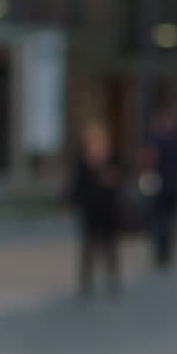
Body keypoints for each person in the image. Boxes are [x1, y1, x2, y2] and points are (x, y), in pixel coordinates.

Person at [70, 121, 122, 298]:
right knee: (89, 247)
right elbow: (76, 186)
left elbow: (121, 179)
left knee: (110, 247)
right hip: (90, 209)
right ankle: (86, 282)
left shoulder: (112, 157)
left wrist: (111, 180)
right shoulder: (83, 161)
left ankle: (112, 280)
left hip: (108, 209)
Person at [141, 107, 177, 271]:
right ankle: (161, 251)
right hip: (162, 184)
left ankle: (165, 251)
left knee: (167, 221)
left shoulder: (174, 140)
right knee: (161, 220)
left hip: (171, 185)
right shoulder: (160, 140)